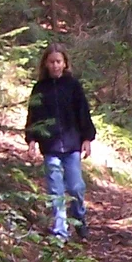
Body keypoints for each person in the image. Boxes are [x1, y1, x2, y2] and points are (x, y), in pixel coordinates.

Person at [25, 44, 95, 239]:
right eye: (51, 62)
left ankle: (80, 219)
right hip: (50, 147)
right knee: (56, 190)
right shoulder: (40, 88)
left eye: (58, 61)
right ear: (45, 64)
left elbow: (83, 113)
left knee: (76, 188)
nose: (55, 65)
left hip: (72, 145)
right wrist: (31, 139)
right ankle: (60, 232)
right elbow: (33, 116)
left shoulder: (73, 85)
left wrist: (87, 138)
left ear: (65, 63)